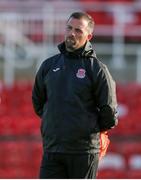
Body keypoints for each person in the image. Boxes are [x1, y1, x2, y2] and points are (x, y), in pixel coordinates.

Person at [32, 11, 118, 179]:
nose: (72, 33)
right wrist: (56, 123)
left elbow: (109, 113)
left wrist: (87, 130)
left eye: (78, 30)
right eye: (69, 28)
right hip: (53, 149)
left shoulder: (97, 69)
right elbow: (38, 102)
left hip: (84, 152)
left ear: (89, 36)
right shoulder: (48, 66)